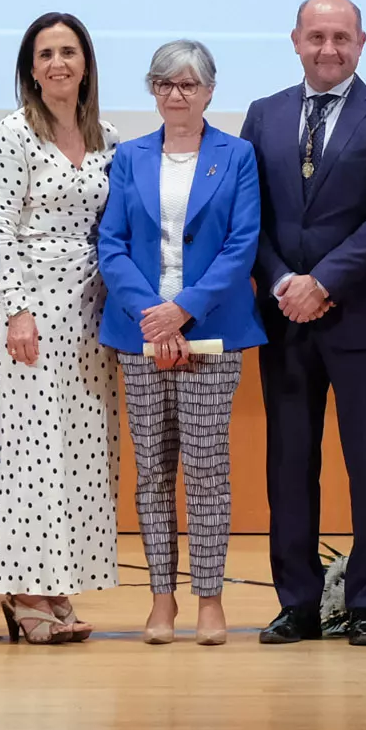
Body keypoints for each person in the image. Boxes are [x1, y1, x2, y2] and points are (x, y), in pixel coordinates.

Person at [241, 0, 366, 646]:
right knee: (289, 464)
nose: (328, 48)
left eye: (340, 37)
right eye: (316, 36)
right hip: (284, 316)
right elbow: (248, 217)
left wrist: (325, 282)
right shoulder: (263, 115)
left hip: (362, 318)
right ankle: (297, 603)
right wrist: (286, 281)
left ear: (361, 43)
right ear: (294, 41)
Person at [96, 39, 265, 644]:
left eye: (188, 85)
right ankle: (161, 599)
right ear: (152, 91)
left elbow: (241, 245)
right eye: (164, 84)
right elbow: (110, 243)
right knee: (153, 472)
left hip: (213, 334)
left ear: (210, 92)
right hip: (140, 334)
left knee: (207, 468)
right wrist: (152, 314)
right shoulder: (129, 156)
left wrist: (183, 312)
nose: (176, 94)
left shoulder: (238, 155)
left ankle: (211, 600)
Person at [0, 12, 122, 645]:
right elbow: (0, 233)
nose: (58, 63)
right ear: (30, 68)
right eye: (45, 54)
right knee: (31, 452)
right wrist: (16, 311)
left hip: (92, 309)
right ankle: (21, 589)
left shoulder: (109, 137)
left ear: (85, 62)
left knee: (82, 451)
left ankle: (56, 584)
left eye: (68, 51)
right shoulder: (12, 135)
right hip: (30, 306)